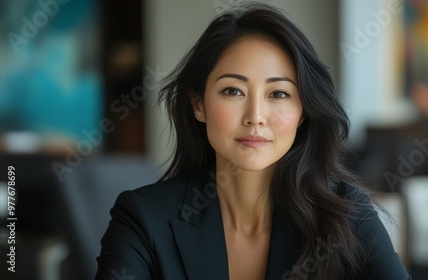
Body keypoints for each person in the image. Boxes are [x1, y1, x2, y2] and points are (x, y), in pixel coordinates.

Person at [95, 3, 411, 280]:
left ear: (303, 111)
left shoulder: (349, 215)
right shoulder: (143, 218)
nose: (255, 116)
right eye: (233, 91)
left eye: (279, 94)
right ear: (199, 104)